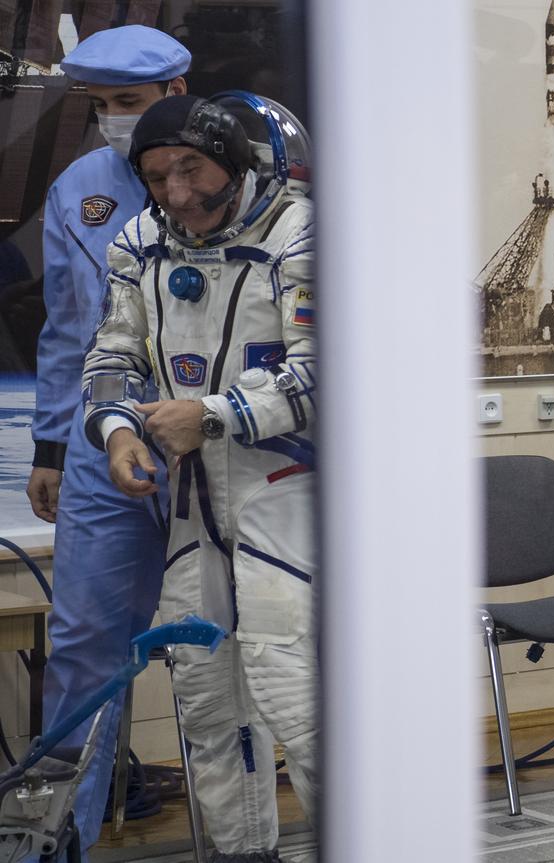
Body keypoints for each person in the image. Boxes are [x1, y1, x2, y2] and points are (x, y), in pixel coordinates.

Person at [82, 92, 317, 859]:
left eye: (193, 168)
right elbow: (112, 358)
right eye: (157, 176)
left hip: (288, 489)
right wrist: (118, 433)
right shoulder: (140, 242)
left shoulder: (302, 233)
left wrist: (212, 414)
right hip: (193, 498)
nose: (178, 193)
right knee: (207, 693)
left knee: (293, 682)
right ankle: (247, 850)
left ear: (238, 162)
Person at [26, 25, 187, 857]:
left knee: (224, 641)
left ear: (176, 88)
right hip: (101, 439)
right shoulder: (77, 189)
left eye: (127, 103)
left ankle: (244, 827)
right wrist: (51, 447)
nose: (114, 121)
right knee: (84, 638)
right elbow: (64, 329)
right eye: (100, 105)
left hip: (215, 437)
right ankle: (65, 839)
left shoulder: (246, 167)